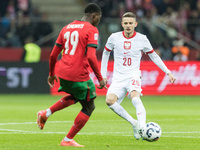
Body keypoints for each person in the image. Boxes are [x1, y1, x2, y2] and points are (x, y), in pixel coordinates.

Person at [37, 3, 106, 147]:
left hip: (63, 72)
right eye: (99, 18)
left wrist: (51, 73)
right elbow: (92, 57)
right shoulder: (91, 29)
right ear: (94, 15)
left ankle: (46, 113)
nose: (99, 21)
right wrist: (100, 78)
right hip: (78, 73)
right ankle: (67, 140)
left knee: (78, 96)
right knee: (89, 106)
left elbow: (53, 55)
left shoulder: (66, 28)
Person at [101, 12, 176, 140]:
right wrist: (103, 75)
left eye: (131, 23)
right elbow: (105, 54)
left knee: (135, 98)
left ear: (135, 24)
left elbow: (153, 56)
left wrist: (167, 71)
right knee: (109, 101)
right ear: (122, 24)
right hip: (118, 77)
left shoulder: (142, 38)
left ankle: (142, 128)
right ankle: (134, 123)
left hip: (133, 76)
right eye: (126, 23)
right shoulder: (114, 37)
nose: (128, 26)